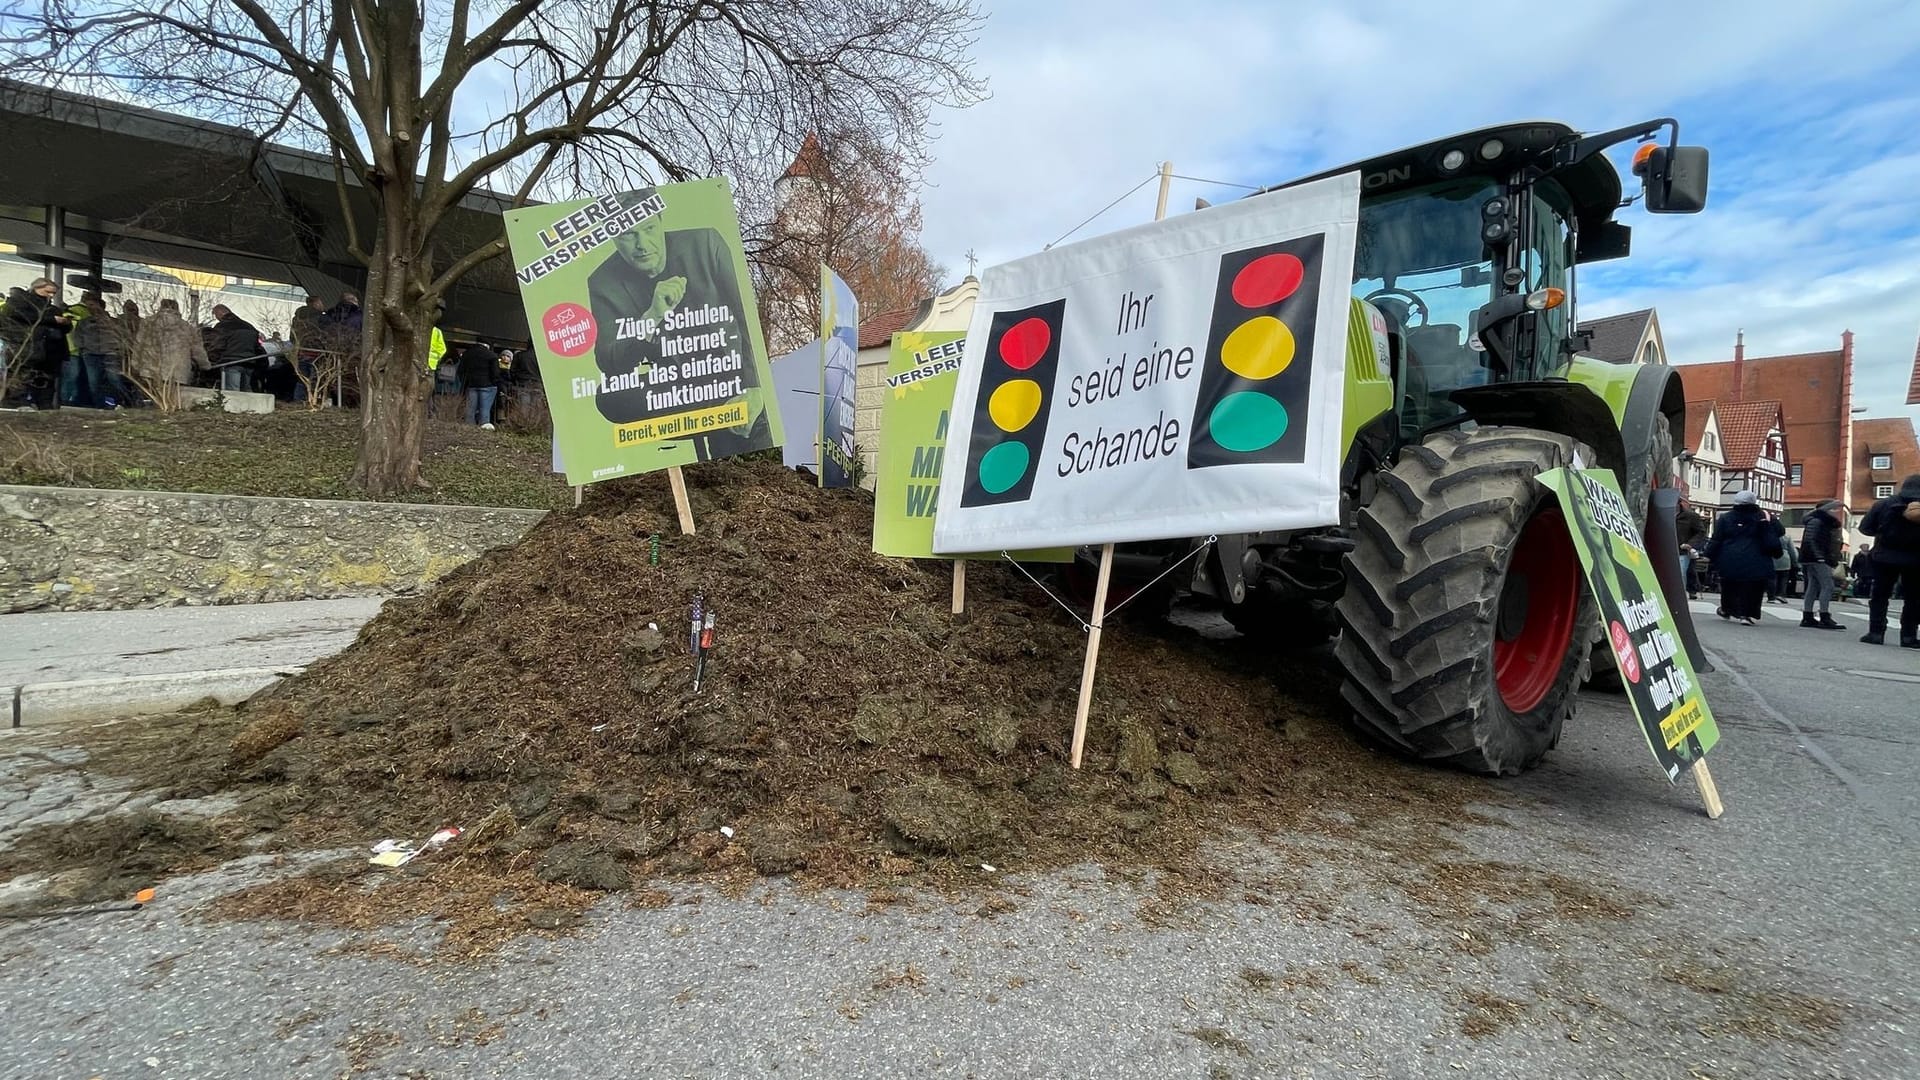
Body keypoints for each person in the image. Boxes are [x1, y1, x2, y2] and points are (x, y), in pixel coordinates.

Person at [586, 189, 770, 460]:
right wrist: (652, 315)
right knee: (609, 396)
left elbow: (746, 316)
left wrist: (754, 386)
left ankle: (727, 424)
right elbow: (609, 360)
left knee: (750, 433)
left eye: (648, 228)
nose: (642, 243)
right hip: (673, 385)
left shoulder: (705, 243)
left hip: (725, 370)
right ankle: (719, 418)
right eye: (628, 235)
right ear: (614, 238)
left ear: (661, 222)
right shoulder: (602, 281)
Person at [1858, 473, 1920, 648]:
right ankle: (1908, 636)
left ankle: (1876, 632)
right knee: (1913, 599)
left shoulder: (1884, 504)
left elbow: (1865, 528)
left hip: (1884, 557)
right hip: (1915, 560)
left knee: (1879, 596)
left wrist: (1882, 533)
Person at [1704, 490, 1780, 625]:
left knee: (1729, 585)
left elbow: (1717, 539)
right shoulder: (1764, 516)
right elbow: (1780, 531)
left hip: (1730, 558)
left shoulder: (1726, 518)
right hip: (1758, 558)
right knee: (1754, 588)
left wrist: (1709, 555)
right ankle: (1747, 614)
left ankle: (1727, 609)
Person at [2, 278, 71, 409]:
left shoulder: (53, 308)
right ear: (37, 288)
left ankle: (45, 409)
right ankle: (15, 406)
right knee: (19, 384)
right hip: (25, 349)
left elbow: (64, 330)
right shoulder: (20, 302)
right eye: (48, 292)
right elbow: (15, 316)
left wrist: (65, 323)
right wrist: (51, 320)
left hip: (49, 353)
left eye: (53, 293)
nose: (51, 296)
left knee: (46, 387)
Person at [131, 298, 208, 403]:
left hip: (151, 368)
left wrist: (135, 364)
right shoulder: (186, 326)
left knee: (152, 399)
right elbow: (197, 349)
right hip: (177, 370)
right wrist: (205, 365)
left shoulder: (148, 323)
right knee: (172, 400)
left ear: (161, 307)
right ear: (177, 308)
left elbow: (139, 344)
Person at [1797, 499, 1846, 631]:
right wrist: (1820, 557)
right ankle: (1824, 616)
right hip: (1817, 558)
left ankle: (1808, 616)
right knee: (1827, 586)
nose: (1836, 513)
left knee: (1813, 586)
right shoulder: (1818, 521)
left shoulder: (1819, 521)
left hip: (1813, 558)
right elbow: (1811, 539)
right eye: (1833, 510)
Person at [206, 304, 262, 391]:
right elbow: (258, 347)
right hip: (249, 363)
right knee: (247, 392)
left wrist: (211, 361)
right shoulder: (249, 326)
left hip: (231, 362)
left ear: (219, 313)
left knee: (232, 392)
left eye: (216, 315)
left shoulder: (223, 326)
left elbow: (216, 346)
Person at [456, 339, 503, 428]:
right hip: (488, 386)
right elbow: (495, 373)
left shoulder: (467, 354)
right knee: (484, 410)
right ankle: (483, 428)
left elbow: (461, 370)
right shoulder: (491, 355)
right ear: (487, 346)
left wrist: (465, 382)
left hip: (472, 385)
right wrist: (495, 383)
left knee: (470, 410)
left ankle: (469, 429)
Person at [1767, 514, 1792, 603]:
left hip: (1771, 559)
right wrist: (1796, 562)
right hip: (1785, 560)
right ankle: (1781, 595)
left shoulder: (1768, 535)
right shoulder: (1786, 537)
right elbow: (1792, 551)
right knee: (1783, 579)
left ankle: (1771, 596)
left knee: (1772, 578)